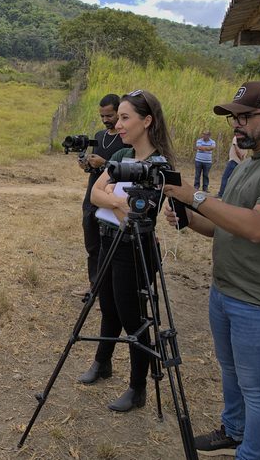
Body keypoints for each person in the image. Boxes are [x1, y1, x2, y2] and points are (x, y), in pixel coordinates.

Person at [163, 81, 260, 459]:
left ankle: (253, 454)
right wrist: (187, 217)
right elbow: (224, 225)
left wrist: (194, 196)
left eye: (246, 116)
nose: (237, 123)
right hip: (228, 292)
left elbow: (255, 227)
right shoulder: (249, 163)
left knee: (259, 389)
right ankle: (234, 430)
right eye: (235, 116)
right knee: (232, 373)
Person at [76, 89, 176, 412]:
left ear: (146, 121)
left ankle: (138, 388)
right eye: (117, 117)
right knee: (107, 306)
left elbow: (143, 212)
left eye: (124, 117)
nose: (118, 125)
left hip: (134, 249)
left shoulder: (159, 166)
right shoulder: (122, 157)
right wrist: (120, 201)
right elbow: (95, 194)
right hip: (108, 240)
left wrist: (115, 200)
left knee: (134, 319)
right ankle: (103, 362)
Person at [71, 93, 128, 300]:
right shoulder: (100, 136)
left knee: (112, 245)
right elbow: (94, 170)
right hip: (92, 196)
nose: (105, 120)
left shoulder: (125, 139)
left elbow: (126, 170)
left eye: (110, 115)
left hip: (114, 200)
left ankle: (110, 289)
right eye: (102, 116)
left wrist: (104, 163)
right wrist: (87, 165)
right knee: (92, 243)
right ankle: (94, 285)